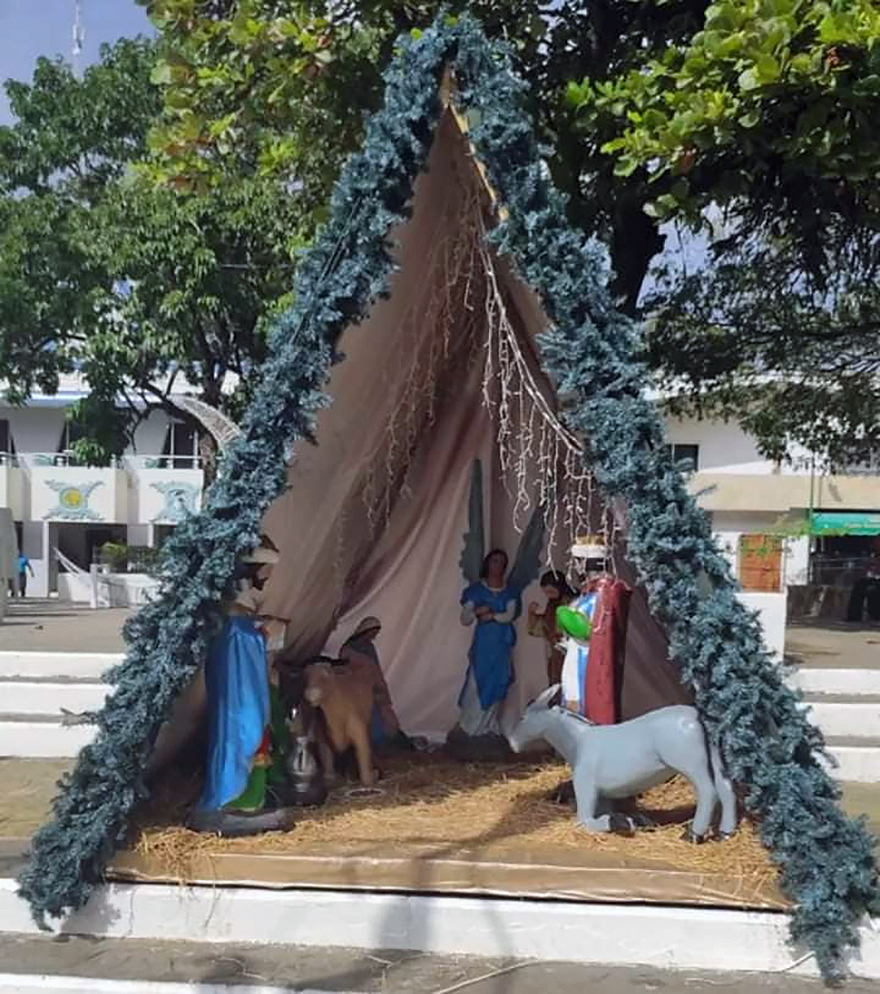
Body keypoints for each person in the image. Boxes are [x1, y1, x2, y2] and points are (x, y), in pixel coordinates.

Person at [458, 549, 520, 737]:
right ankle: (471, 728)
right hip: (483, 645)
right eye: (494, 561)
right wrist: (478, 611)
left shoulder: (509, 592)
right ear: (487, 564)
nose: (498, 566)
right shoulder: (476, 591)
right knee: (475, 683)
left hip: (501, 644)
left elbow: (508, 615)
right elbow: (465, 619)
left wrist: (491, 614)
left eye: (502, 562)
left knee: (497, 681)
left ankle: (488, 727)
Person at [339, 616, 408, 749]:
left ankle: (389, 742)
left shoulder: (370, 647)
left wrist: (379, 688)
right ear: (364, 631)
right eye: (372, 633)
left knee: (385, 718)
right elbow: (346, 670)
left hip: (374, 690)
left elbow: (375, 669)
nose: (373, 636)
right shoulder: (348, 650)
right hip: (358, 691)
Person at [528, 570, 577, 686]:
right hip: (556, 653)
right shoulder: (552, 605)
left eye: (551, 591)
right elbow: (542, 627)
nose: (548, 595)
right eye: (546, 592)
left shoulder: (572, 602)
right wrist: (532, 614)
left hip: (570, 651)